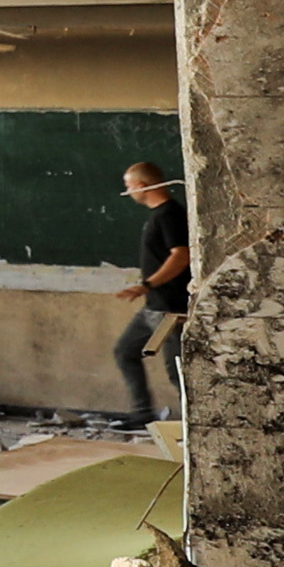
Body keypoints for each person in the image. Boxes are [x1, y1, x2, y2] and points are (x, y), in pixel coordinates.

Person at [117, 157, 192, 426]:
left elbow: (181, 256)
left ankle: (197, 424)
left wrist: (148, 284)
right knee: (125, 352)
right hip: (154, 307)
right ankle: (142, 413)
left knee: (178, 371)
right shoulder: (157, 216)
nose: (129, 192)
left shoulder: (170, 215)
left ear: (141, 185)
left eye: (129, 186)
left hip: (171, 308)